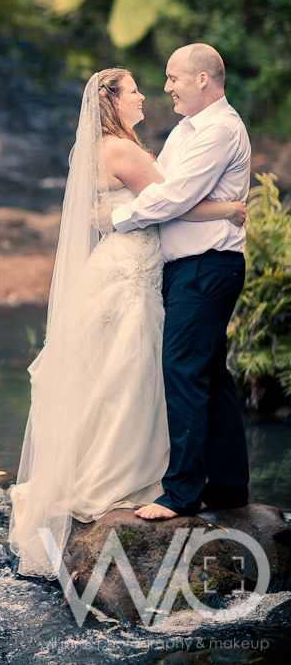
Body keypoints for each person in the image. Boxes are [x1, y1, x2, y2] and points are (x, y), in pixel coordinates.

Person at [8, 66, 246, 579]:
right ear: (112, 101)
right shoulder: (120, 149)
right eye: (136, 89)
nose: (147, 95)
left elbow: (162, 200)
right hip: (133, 269)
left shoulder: (105, 148)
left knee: (118, 372)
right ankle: (134, 474)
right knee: (132, 371)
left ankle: (161, 473)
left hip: (122, 265)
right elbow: (173, 204)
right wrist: (232, 207)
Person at [110, 44, 251, 520]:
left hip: (206, 266)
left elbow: (171, 196)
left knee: (184, 374)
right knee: (210, 376)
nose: (166, 87)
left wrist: (118, 218)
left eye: (173, 78)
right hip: (191, 267)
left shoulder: (220, 131)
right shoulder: (186, 130)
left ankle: (182, 493)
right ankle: (229, 489)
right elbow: (167, 189)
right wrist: (222, 208)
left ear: (203, 81)